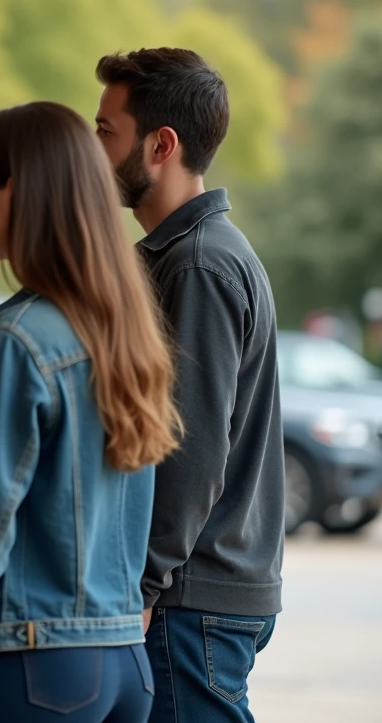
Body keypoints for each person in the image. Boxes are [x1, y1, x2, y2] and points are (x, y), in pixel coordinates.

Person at [0, 101, 182, 723]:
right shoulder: (125, 333)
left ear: (20, 191)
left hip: (36, 665)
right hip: (124, 661)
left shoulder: (18, 341)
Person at [94, 48, 285, 723]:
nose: (93, 152)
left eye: (106, 132)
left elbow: (191, 446)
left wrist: (142, 586)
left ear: (161, 145)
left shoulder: (200, 264)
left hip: (186, 602)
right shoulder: (189, 255)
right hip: (195, 596)